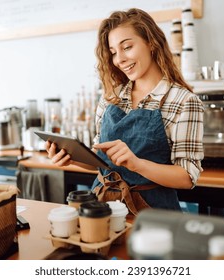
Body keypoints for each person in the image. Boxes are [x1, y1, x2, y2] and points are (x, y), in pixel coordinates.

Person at [45, 8, 204, 213]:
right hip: (102, 208)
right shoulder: (110, 97)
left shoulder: (184, 101)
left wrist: (137, 164)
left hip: (152, 215)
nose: (119, 59)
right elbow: (101, 161)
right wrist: (73, 157)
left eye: (127, 47)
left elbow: (187, 177)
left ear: (151, 43)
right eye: (113, 52)